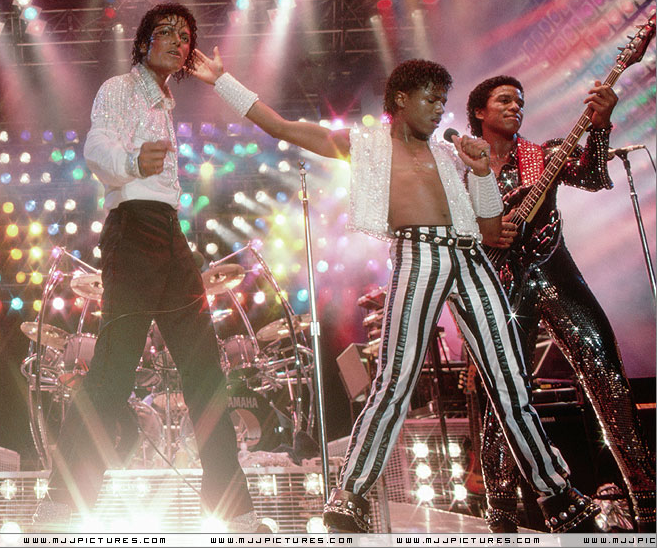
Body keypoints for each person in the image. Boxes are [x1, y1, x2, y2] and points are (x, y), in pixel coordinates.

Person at [189, 50, 599, 534]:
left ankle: (556, 491)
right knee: (394, 384)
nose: (439, 109)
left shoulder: (451, 154)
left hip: (471, 257)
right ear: (401, 99)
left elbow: (491, 231)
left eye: (443, 101)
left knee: (512, 383)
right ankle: (350, 496)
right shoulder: (364, 144)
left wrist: (482, 173)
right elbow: (279, 125)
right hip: (418, 254)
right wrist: (223, 81)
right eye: (430, 99)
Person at [34, 4, 258, 531]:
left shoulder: (164, 102)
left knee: (205, 370)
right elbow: (96, 146)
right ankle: (61, 507)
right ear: (142, 43)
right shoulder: (120, 89)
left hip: (168, 230)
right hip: (133, 229)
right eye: (166, 32)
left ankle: (233, 511)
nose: (178, 41)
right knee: (112, 371)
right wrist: (133, 163)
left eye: (186, 36)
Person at [467, 75, 654, 532]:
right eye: (504, 100)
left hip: (557, 277)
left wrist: (601, 125)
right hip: (502, 285)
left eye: (520, 101)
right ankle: (501, 514)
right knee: (505, 395)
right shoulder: (463, 169)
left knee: (607, 376)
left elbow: (593, 177)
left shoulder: (544, 154)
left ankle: (647, 501)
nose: (515, 107)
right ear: (479, 112)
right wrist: (481, 232)